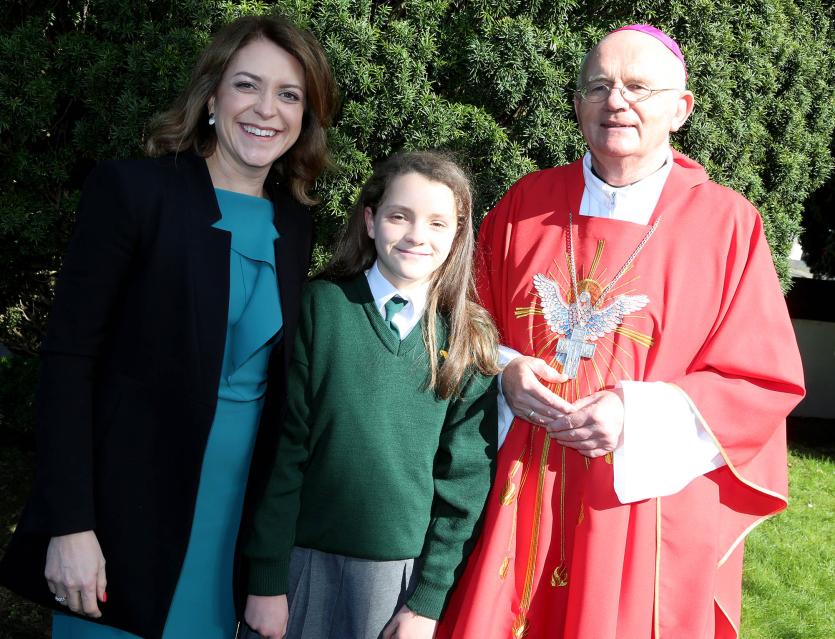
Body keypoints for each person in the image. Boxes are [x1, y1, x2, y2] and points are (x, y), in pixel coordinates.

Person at [435, 24, 805, 639]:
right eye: (599, 86)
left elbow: (760, 380)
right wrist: (506, 370)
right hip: (521, 485)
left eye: (639, 87)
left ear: (680, 109)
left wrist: (636, 415)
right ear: (578, 104)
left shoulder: (727, 225)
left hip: (642, 506)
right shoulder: (526, 204)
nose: (617, 101)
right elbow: (462, 319)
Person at [0, 14, 338, 639]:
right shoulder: (131, 192)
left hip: (230, 530)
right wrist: (70, 523)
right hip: (121, 527)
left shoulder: (293, 225)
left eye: (289, 94)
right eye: (247, 85)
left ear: (305, 117)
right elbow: (69, 362)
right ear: (211, 96)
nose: (266, 109)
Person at [240, 151, 500, 639]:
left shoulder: (468, 337)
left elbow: (464, 482)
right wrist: (266, 579)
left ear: (457, 236)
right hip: (300, 565)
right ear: (370, 219)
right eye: (400, 215)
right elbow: (282, 451)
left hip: (397, 584)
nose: (417, 235)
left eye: (438, 223)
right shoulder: (320, 307)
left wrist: (427, 601)